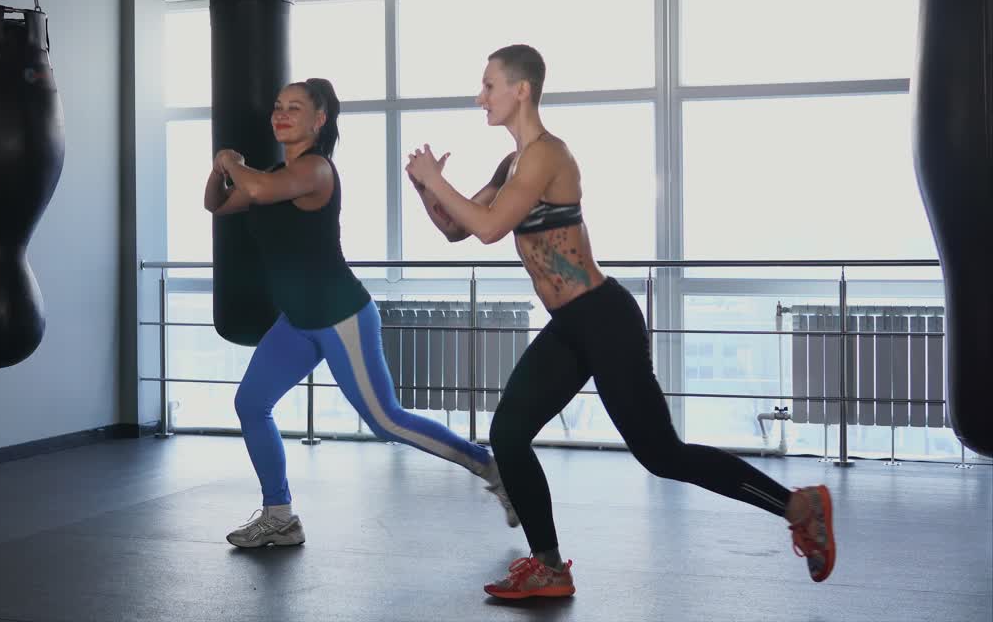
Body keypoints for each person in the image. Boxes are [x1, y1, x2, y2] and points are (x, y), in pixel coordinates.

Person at [405, 45, 836, 599]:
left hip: (604, 319)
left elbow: (489, 228)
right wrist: (426, 189)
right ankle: (550, 567)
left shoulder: (546, 155)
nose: (479, 96)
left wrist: (436, 184)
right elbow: (457, 229)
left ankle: (800, 505)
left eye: (488, 85)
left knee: (661, 455)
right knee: (508, 433)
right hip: (568, 326)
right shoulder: (511, 164)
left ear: (521, 90)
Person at [205, 77, 518, 548]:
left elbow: (249, 186)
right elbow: (218, 203)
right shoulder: (270, 174)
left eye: (295, 107)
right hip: (296, 321)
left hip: (340, 316)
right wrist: (218, 170)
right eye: (277, 106)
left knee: (385, 421)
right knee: (251, 403)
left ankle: (490, 467)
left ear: (319, 119)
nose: (281, 114)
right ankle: (279, 515)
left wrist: (230, 161)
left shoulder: (315, 171)